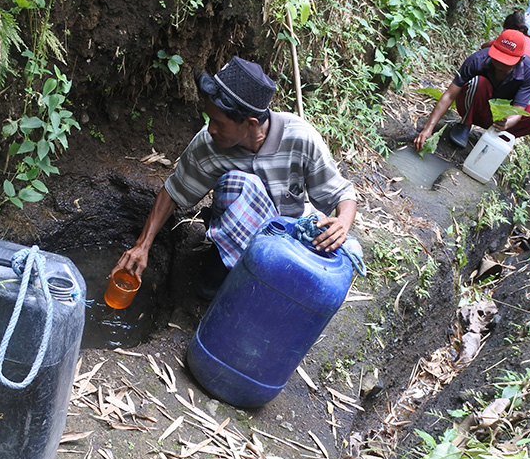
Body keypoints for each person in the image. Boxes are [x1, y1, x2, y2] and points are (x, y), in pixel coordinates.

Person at [112, 56, 357, 297]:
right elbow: (174, 191)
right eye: (209, 119)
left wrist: (342, 222)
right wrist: (142, 246)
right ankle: (228, 268)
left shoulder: (301, 138)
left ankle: (266, 282)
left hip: (285, 236)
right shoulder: (208, 144)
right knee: (238, 186)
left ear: (251, 123)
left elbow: (342, 193)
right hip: (235, 232)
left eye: (219, 122)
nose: (211, 129)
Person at [413, 29, 530, 150]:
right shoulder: (478, 59)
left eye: (506, 63)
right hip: (474, 106)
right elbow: (449, 94)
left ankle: (494, 136)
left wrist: (507, 122)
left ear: (520, 59)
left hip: (500, 118)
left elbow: (518, 109)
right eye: (498, 59)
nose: (500, 65)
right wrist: (428, 127)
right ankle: (465, 124)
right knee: (479, 82)